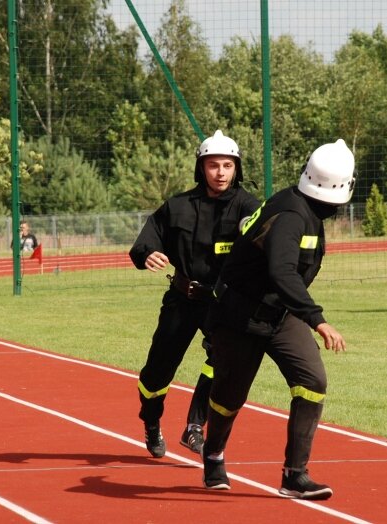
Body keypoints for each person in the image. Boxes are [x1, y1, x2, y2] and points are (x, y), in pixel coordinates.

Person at [200, 138, 353, 501]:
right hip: (240, 315)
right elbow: (282, 272)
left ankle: (295, 475)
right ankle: (214, 453)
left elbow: (288, 279)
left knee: (312, 380)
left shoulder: (307, 209)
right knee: (229, 397)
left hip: (280, 314)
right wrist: (318, 320)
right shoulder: (289, 215)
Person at [129, 130, 260, 459]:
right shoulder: (178, 206)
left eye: (227, 166)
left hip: (223, 303)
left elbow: (261, 231)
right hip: (182, 299)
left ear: (236, 169)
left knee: (223, 360)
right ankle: (151, 420)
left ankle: (194, 427)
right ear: (201, 168)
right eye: (213, 165)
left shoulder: (248, 205)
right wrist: (147, 254)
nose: (220, 172)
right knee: (156, 374)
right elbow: (148, 239)